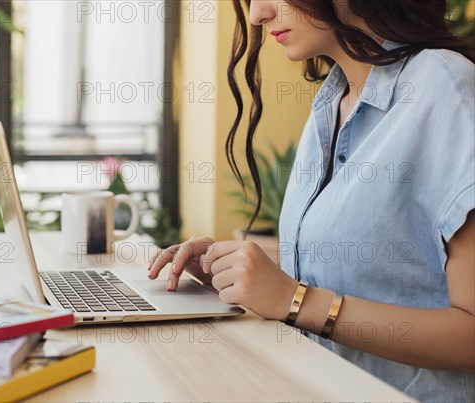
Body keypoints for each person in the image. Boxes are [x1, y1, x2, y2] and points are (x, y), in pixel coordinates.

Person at [148, 1, 475, 401]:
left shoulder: (444, 86)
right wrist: (233, 275)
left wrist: (293, 299)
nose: (257, 15)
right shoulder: (331, 100)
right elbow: (340, 282)